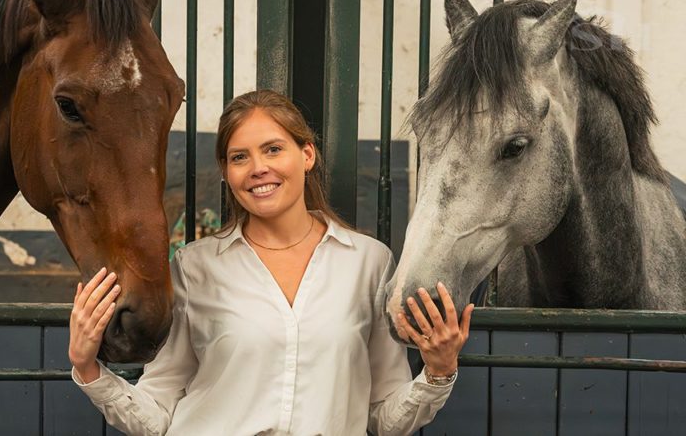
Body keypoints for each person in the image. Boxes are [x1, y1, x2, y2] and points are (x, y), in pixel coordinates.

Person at [68, 89, 474, 435]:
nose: (258, 168)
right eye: (239, 157)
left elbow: (384, 418)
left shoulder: (368, 263)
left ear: (307, 154)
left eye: (273, 149)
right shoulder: (195, 267)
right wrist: (87, 367)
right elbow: (157, 415)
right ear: (226, 173)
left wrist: (437, 371)